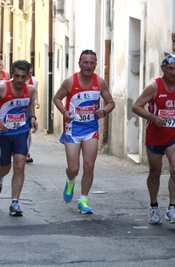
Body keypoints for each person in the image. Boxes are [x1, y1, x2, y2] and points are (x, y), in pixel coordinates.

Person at [131, 54, 175, 224]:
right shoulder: (154, 87)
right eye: (169, 69)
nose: (173, 72)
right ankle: (153, 207)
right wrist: (153, 117)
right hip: (155, 136)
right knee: (154, 173)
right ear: (163, 69)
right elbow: (136, 106)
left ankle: (172, 208)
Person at [53, 49, 115, 214]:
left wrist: (105, 111)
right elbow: (57, 98)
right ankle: (70, 181)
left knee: (89, 166)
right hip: (73, 130)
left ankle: (83, 200)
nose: (88, 66)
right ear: (79, 63)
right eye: (85, 62)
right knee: (73, 168)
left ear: (96, 64)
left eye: (91, 63)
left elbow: (110, 102)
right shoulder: (70, 82)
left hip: (90, 130)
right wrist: (64, 112)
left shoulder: (100, 82)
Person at [0, 60, 38, 216]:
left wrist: (32, 117)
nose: (20, 80)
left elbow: (29, 104)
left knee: (20, 165)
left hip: (21, 132)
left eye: (23, 77)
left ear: (28, 75)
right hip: (3, 134)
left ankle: (15, 202)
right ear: (11, 74)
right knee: (4, 168)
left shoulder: (31, 89)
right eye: (17, 76)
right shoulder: (1, 88)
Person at [25, 64, 40, 163]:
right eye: (28, 73)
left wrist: (37, 101)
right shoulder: (15, 80)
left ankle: (26, 153)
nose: (29, 75)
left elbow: (35, 91)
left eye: (31, 73)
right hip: (18, 109)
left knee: (28, 131)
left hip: (29, 107)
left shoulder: (34, 81)